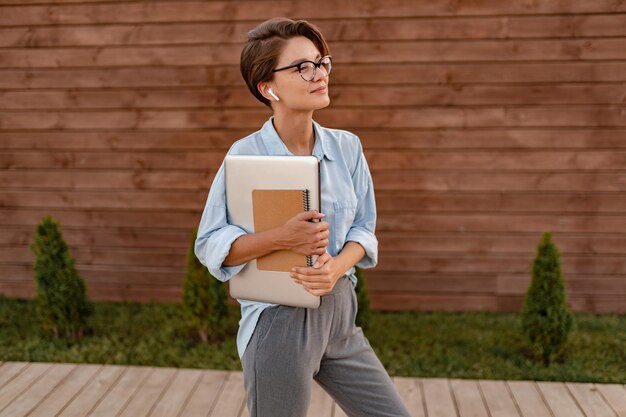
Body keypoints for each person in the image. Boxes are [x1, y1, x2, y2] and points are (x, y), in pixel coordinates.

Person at [195, 17, 412, 417]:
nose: (319, 74)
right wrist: (282, 238)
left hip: (342, 318)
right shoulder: (243, 157)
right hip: (280, 325)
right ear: (267, 87)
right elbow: (210, 245)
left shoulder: (348, 147)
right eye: (302, 67)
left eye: (321, 62)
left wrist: (336, 267)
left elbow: (364, 227)